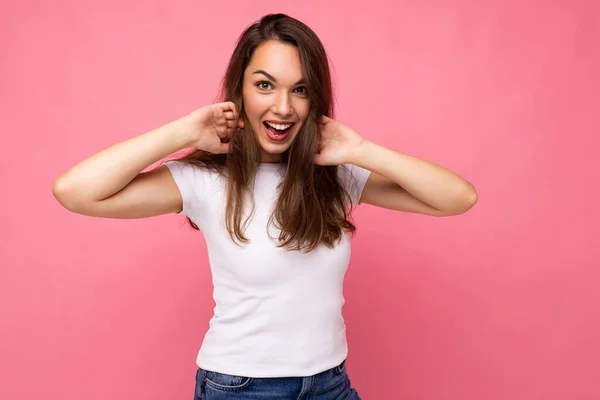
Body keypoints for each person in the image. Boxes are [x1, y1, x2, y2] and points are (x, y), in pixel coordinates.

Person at [53, 13, 477, 400]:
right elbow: (74, 191)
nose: (283, 107)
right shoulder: (204, 180)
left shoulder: (333, 176)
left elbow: (457, 198)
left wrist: (362, 149)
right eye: (264, 85)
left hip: (329, 383)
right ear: (239, 90)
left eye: (300, 90)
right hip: (241, 388)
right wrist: (182, 131)